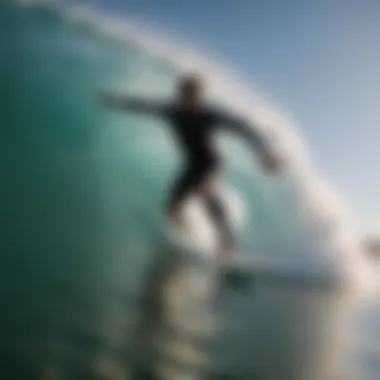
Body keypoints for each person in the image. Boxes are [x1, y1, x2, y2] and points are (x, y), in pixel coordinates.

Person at [99, 73, 282, 260]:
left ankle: (227, 244)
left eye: (197, 97)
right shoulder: (171, 111)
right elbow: (143, 106)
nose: (192, 101)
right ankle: (189, 239)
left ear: (201, 97)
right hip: (192, 164)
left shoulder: (208, 115)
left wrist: (265, 153)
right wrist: (116, 100)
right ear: (180, 94)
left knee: (205, 189)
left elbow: (243, 127)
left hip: (211, 162)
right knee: (172, 209)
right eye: (188, 95)